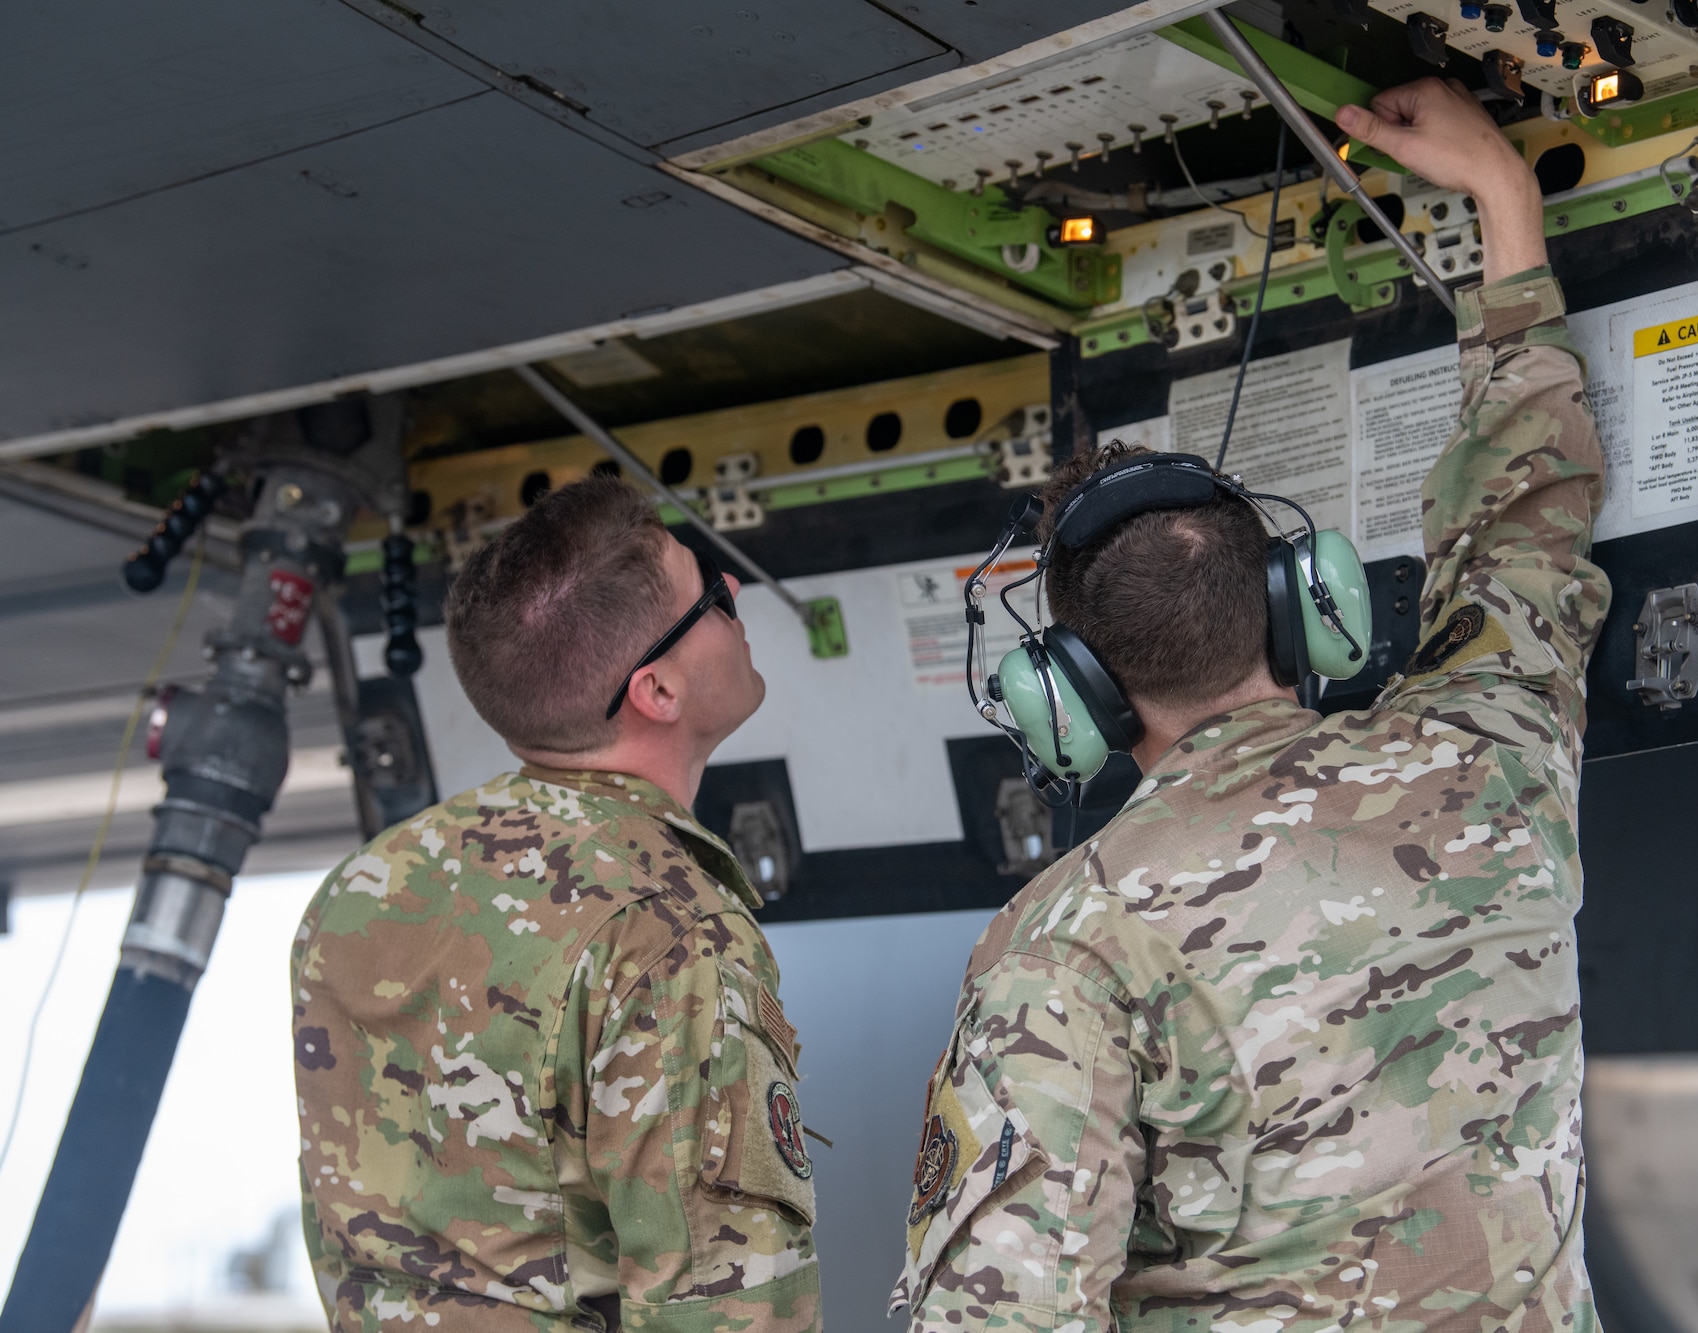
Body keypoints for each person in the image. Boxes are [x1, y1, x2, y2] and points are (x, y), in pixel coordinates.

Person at [891, 77, 1610, 1332]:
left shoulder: (1071, 939)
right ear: (1300, 604)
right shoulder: (1488, 755)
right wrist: (1499, 190)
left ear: (1073, 699)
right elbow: (1524, 516)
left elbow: (999, 1312)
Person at [292, 477, 820, 1331]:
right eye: (711, 594)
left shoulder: (363, 889)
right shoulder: (668, 926)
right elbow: (724, 1301)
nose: (734, 598)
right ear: (656, 692)